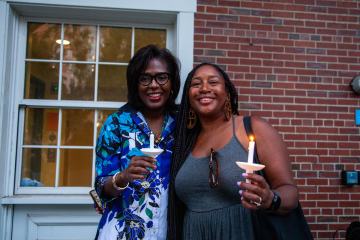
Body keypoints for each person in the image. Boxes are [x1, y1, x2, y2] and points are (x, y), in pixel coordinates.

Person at [167, 63, 299, 239]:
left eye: (213, 82)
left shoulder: (253, 128)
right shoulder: (184, 141)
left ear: (228, 93)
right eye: (196, 84)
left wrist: (270, 199)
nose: (204, 88)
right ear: (188, 97)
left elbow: (289, 191)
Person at [94, 45, 180, 240]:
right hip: (122, 232)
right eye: (144, 78)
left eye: (161, 77)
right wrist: (123, 176)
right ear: (135, 84)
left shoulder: (183, 125)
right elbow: (101, 189)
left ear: (172, 82)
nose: (153, 85)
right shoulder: (116, 123)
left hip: (170, 231)